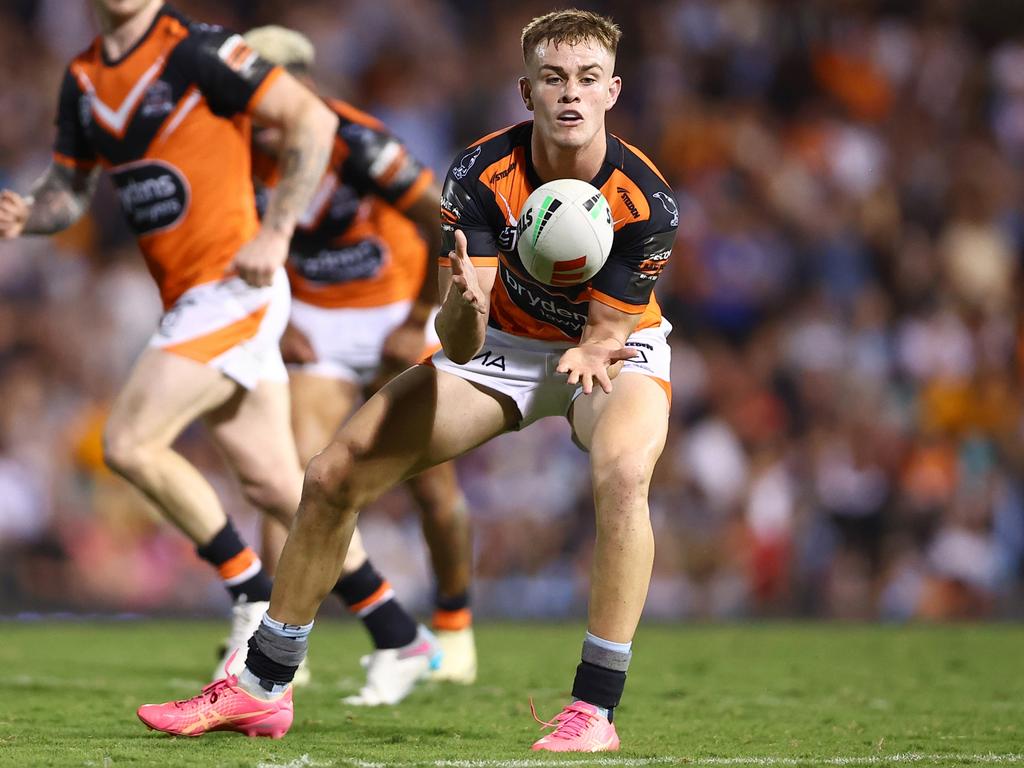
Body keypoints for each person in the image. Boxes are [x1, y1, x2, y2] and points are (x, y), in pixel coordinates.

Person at [137, 8, 677, 752]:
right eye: (553, 78)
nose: (570, 95)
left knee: (622, 477)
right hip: (506, 347)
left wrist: (595, 345)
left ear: (613, 90)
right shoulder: (480, 174)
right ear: (527, 91)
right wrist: (461, 303)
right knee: (332, 474)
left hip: (616, 351)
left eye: (587, 79)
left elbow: (608, 331)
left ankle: (595, 710)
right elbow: (459, 338)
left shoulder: (648, 200)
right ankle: (262, 686)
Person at [0, 0, 337, 681]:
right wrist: (29, 213)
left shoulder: (198, 50)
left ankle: (251, 597)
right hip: (190, 298)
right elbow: (69, 190)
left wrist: (276, 233)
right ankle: (396, 631)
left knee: (127, 441)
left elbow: (313, 119)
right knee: (280, 486)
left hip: (233, 283)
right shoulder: (85, 77)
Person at [242, 25, 477, 700]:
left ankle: (454, 626)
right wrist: (278, 319)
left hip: (395, 303)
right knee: (293, 473)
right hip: (314, 315)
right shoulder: (232, 145)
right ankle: (274, 631)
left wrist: (414, 320)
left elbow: (446, 221)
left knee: (434, 489)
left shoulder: (360, 142)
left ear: (302, 87)